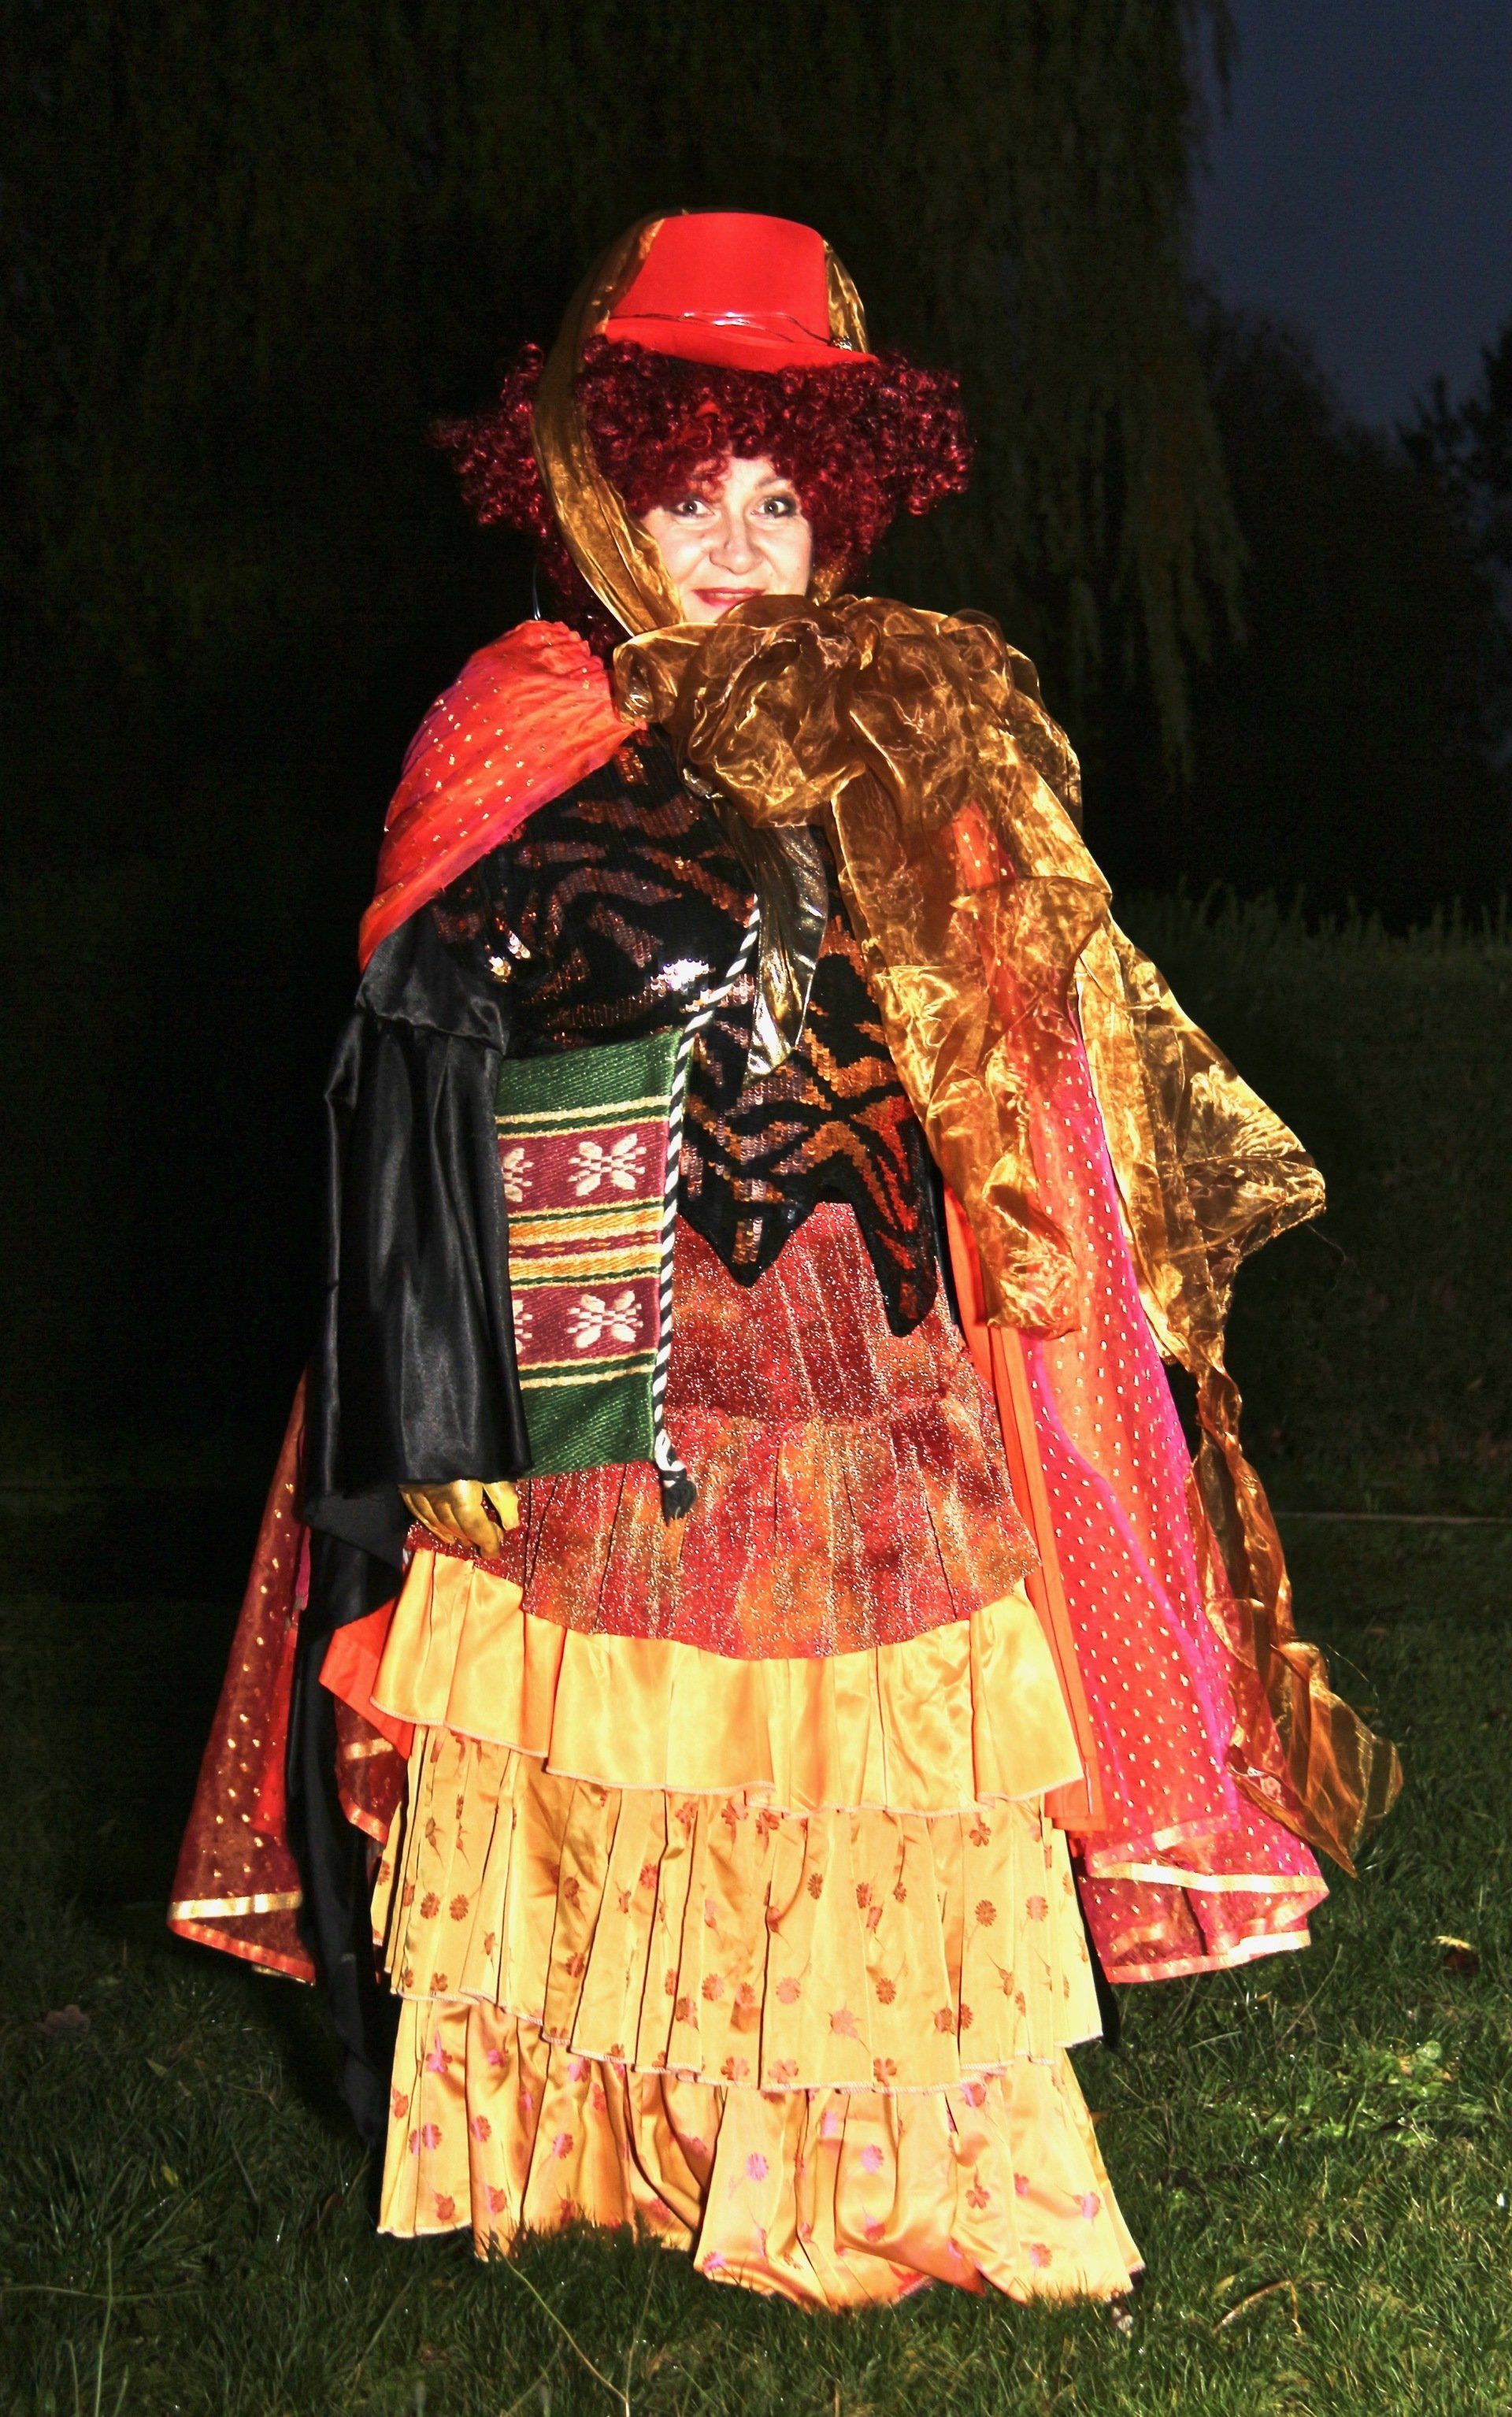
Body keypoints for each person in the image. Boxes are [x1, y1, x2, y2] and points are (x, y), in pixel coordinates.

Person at [172, 212, 1398, 2308]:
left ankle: (886, 2167)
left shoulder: (915, 724)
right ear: (598, 495)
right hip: (586, 1344)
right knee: (592, 1735)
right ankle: (586, 2142)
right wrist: (454, 1372)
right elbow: (417, 1065)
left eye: (779, 502)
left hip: (867, 1354)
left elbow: (1022, 1066)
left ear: (842, 513)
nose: (736, 546)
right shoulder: (517, 720)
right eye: (688, 497)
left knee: (868, 1731)